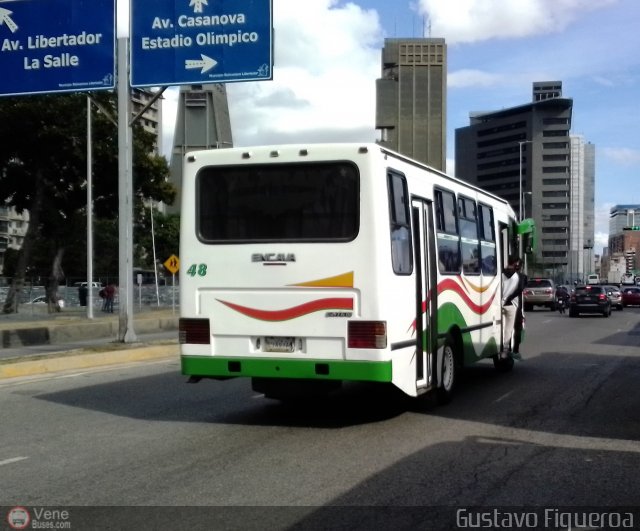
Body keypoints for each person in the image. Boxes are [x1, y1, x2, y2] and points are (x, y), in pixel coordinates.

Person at [501, 255, 521, 359]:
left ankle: (498, 345)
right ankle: (505, 350)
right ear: (515, 263)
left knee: (500, 326)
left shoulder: (501, 274)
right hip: (511, 305)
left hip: (501, 303)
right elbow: (517, 290)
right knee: (508, 329)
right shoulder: (516, 276)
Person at [512, 258, 527, 358]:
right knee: (518, 328)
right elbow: (522, 287)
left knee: (508, 329)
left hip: (505, 304)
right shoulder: (522, 277)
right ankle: (515, 350)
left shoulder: (503, 275)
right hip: (516, 307)